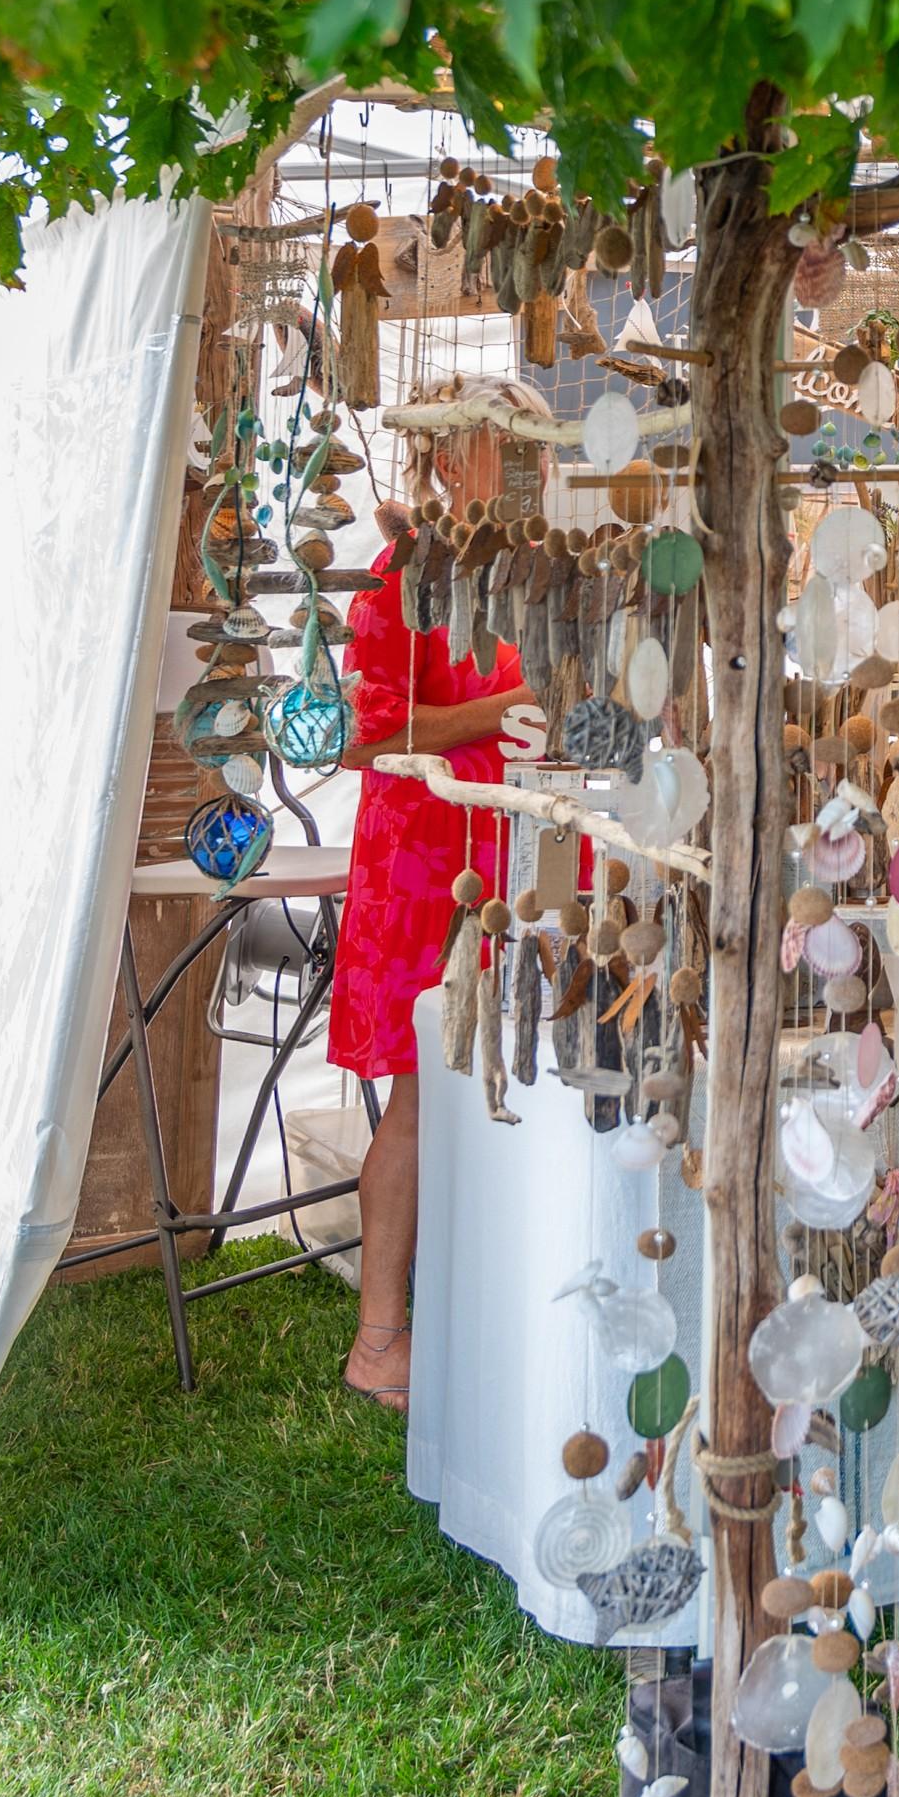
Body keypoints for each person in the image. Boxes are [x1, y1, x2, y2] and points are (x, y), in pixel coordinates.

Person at [328, 502, 533, 1408]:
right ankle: (378, 1341)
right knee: (421, 1091)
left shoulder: (524, 569)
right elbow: (363, 735)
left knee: (501, 1082)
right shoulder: (398, 576)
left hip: (509, 852)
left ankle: (474, 1316)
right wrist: (506, 711)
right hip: (426, 863)